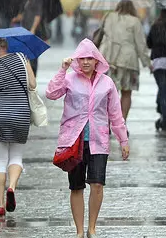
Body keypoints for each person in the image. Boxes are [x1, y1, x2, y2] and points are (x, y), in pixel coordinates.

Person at [46, 39, 129, 238]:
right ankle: (79, 231)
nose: (85, 62)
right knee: (76, 187)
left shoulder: (107, 83)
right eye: (81, 58)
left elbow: (115, 113)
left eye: (89, 58)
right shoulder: (69, 78)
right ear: (77, 60)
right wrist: (62, 70)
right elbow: (51, 93)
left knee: (97, 184)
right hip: (74, 141)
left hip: (99, 141)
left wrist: (123, 140)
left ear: (96, 61)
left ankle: (92, 228)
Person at [0, 38, 36, 216]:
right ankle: (11, 187)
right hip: (20, 114)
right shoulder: (22, 57)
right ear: (6, 46)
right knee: (16, 157)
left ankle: (1, 205)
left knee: (0, 160)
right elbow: (33, 85)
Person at [98, 0, 152, 130]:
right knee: (126, 93)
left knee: (110, 93)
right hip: (128, 61)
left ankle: (108, 123)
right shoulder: (135, 21)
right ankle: (121, 124)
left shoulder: (108, 17)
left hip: (109, 60)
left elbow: (101, 35)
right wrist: (148, 63)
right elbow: (140, 44)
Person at [11, 0, 48, 76]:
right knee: (25, 56)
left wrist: (33, 29)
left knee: (32, 57)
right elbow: (24, 14)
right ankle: (28, 78)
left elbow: (38, 14)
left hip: (32, 31)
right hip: (25, 30)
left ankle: (32, 80)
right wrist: (15, 19)